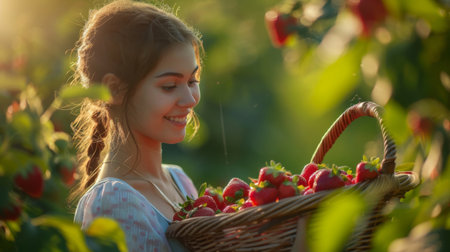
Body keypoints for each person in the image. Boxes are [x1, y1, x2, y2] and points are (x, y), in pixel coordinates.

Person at [70, 1, 203, 251]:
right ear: (114, 89)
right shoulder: (114, 203)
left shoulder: (178, 180)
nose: (190, 99)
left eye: (192, 80)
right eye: (169, 86)